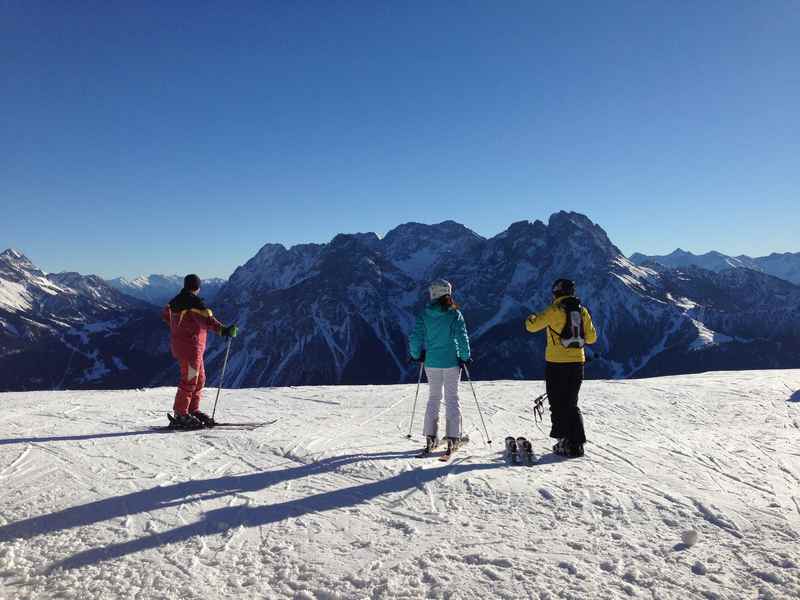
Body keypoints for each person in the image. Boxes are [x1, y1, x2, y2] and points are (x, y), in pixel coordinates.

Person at [525, 278, 597, 457]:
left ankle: (563, 439)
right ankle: (577, 443)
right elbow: (592, 338)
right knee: (571, 402)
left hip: (556, 363)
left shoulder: (554, 310)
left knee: (557, 402)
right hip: (577, 363)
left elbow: (532, 327)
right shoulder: (582, 311)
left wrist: (530, 317)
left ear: (556, 292)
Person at [162, 274, 238, 428]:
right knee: (190, 379)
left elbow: (166, 316)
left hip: (183, 347)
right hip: (191, 349)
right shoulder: (194, 302)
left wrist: (180, 330)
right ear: (197, 287)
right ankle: (181, 413)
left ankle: (192, 409)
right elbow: (208, 320)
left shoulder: (174, 302)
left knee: (199, 378)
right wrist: (225, 330)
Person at [409, 279, 471, 454]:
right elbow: (462, 337)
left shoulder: (424, 314)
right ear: (447, 293)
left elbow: (415, 337)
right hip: (451, 362)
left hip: (431, 362)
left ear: (433, 293)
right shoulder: (454, 314)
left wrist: (416, 354)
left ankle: (430, 437)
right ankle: (453, 437)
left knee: (434, 398)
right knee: (452, 398)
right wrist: (465, 357)